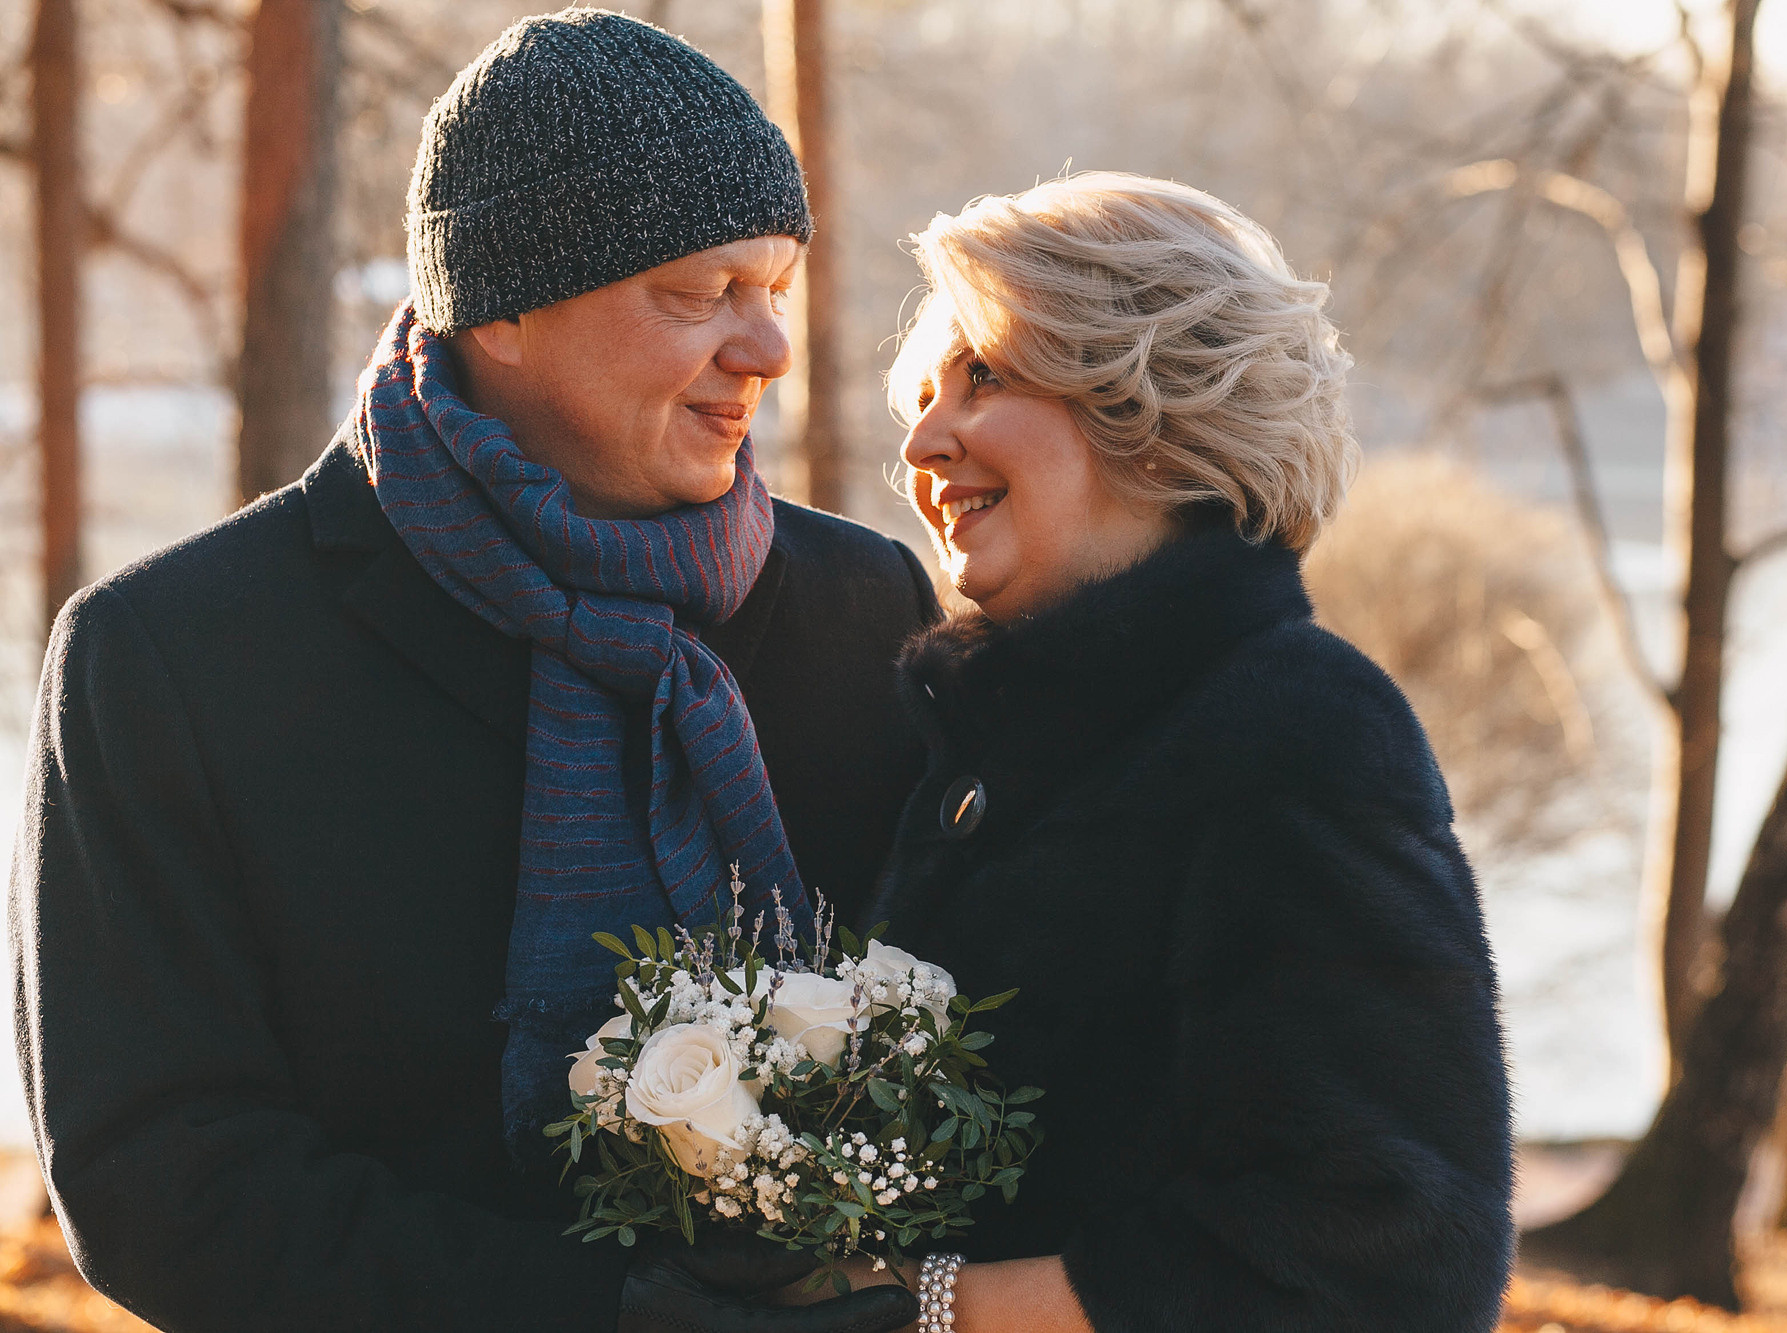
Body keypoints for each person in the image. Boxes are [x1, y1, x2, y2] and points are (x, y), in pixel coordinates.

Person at [12, 12, 926, 1332]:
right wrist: (617, 1318)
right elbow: (166, 1178)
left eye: (771, 288)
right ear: (498, 305)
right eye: (696, 293)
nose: (767, 350)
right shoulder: (171, 659)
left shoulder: (859, 606)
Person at [849, 173, 1516, 1331]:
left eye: (984, 376)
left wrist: (927, 1307)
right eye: (920, 394)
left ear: (1141, 404)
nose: (921, 438)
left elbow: (1388, 1247)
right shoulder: (984, 742)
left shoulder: (1290, 727)